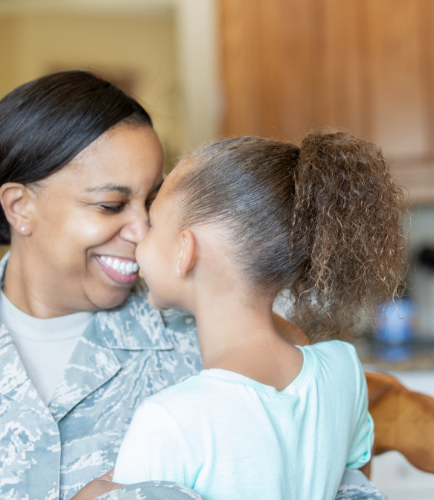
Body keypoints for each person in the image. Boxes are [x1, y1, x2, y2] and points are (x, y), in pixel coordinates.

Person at [0, 70, 385, 500]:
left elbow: (336, 482)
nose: (142, 228)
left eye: (152, 200)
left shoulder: (227, 346)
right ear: (19, 207)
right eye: (111, 205)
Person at [108, 134, 406, 499]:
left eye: (152, 223)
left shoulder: (169, 421)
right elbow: (354, 479)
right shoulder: (343, 367)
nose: (137, 237)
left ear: (185, 251)